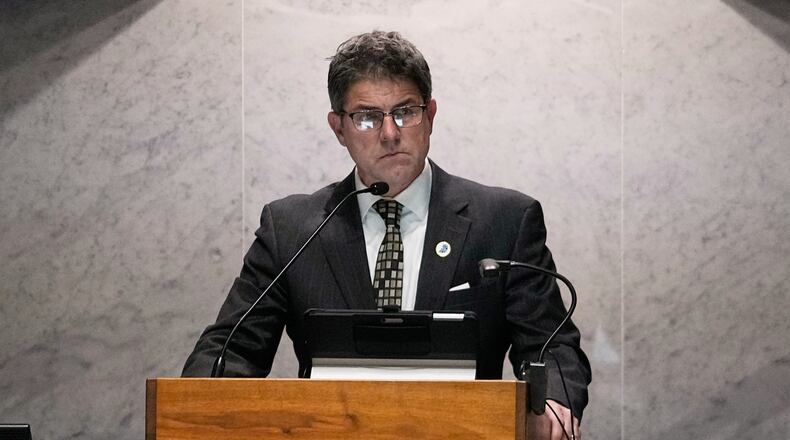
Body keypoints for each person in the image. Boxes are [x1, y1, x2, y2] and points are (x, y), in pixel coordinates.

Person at [183, 30, 591, 440]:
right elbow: (231, 349)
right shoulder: (292, 229)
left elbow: (551, 345)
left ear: (430, 115)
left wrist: (554, 402)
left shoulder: (504, 220)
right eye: (367, 117)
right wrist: (196, 409)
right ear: (338, 128)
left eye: (405, 111)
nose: (390, 133)